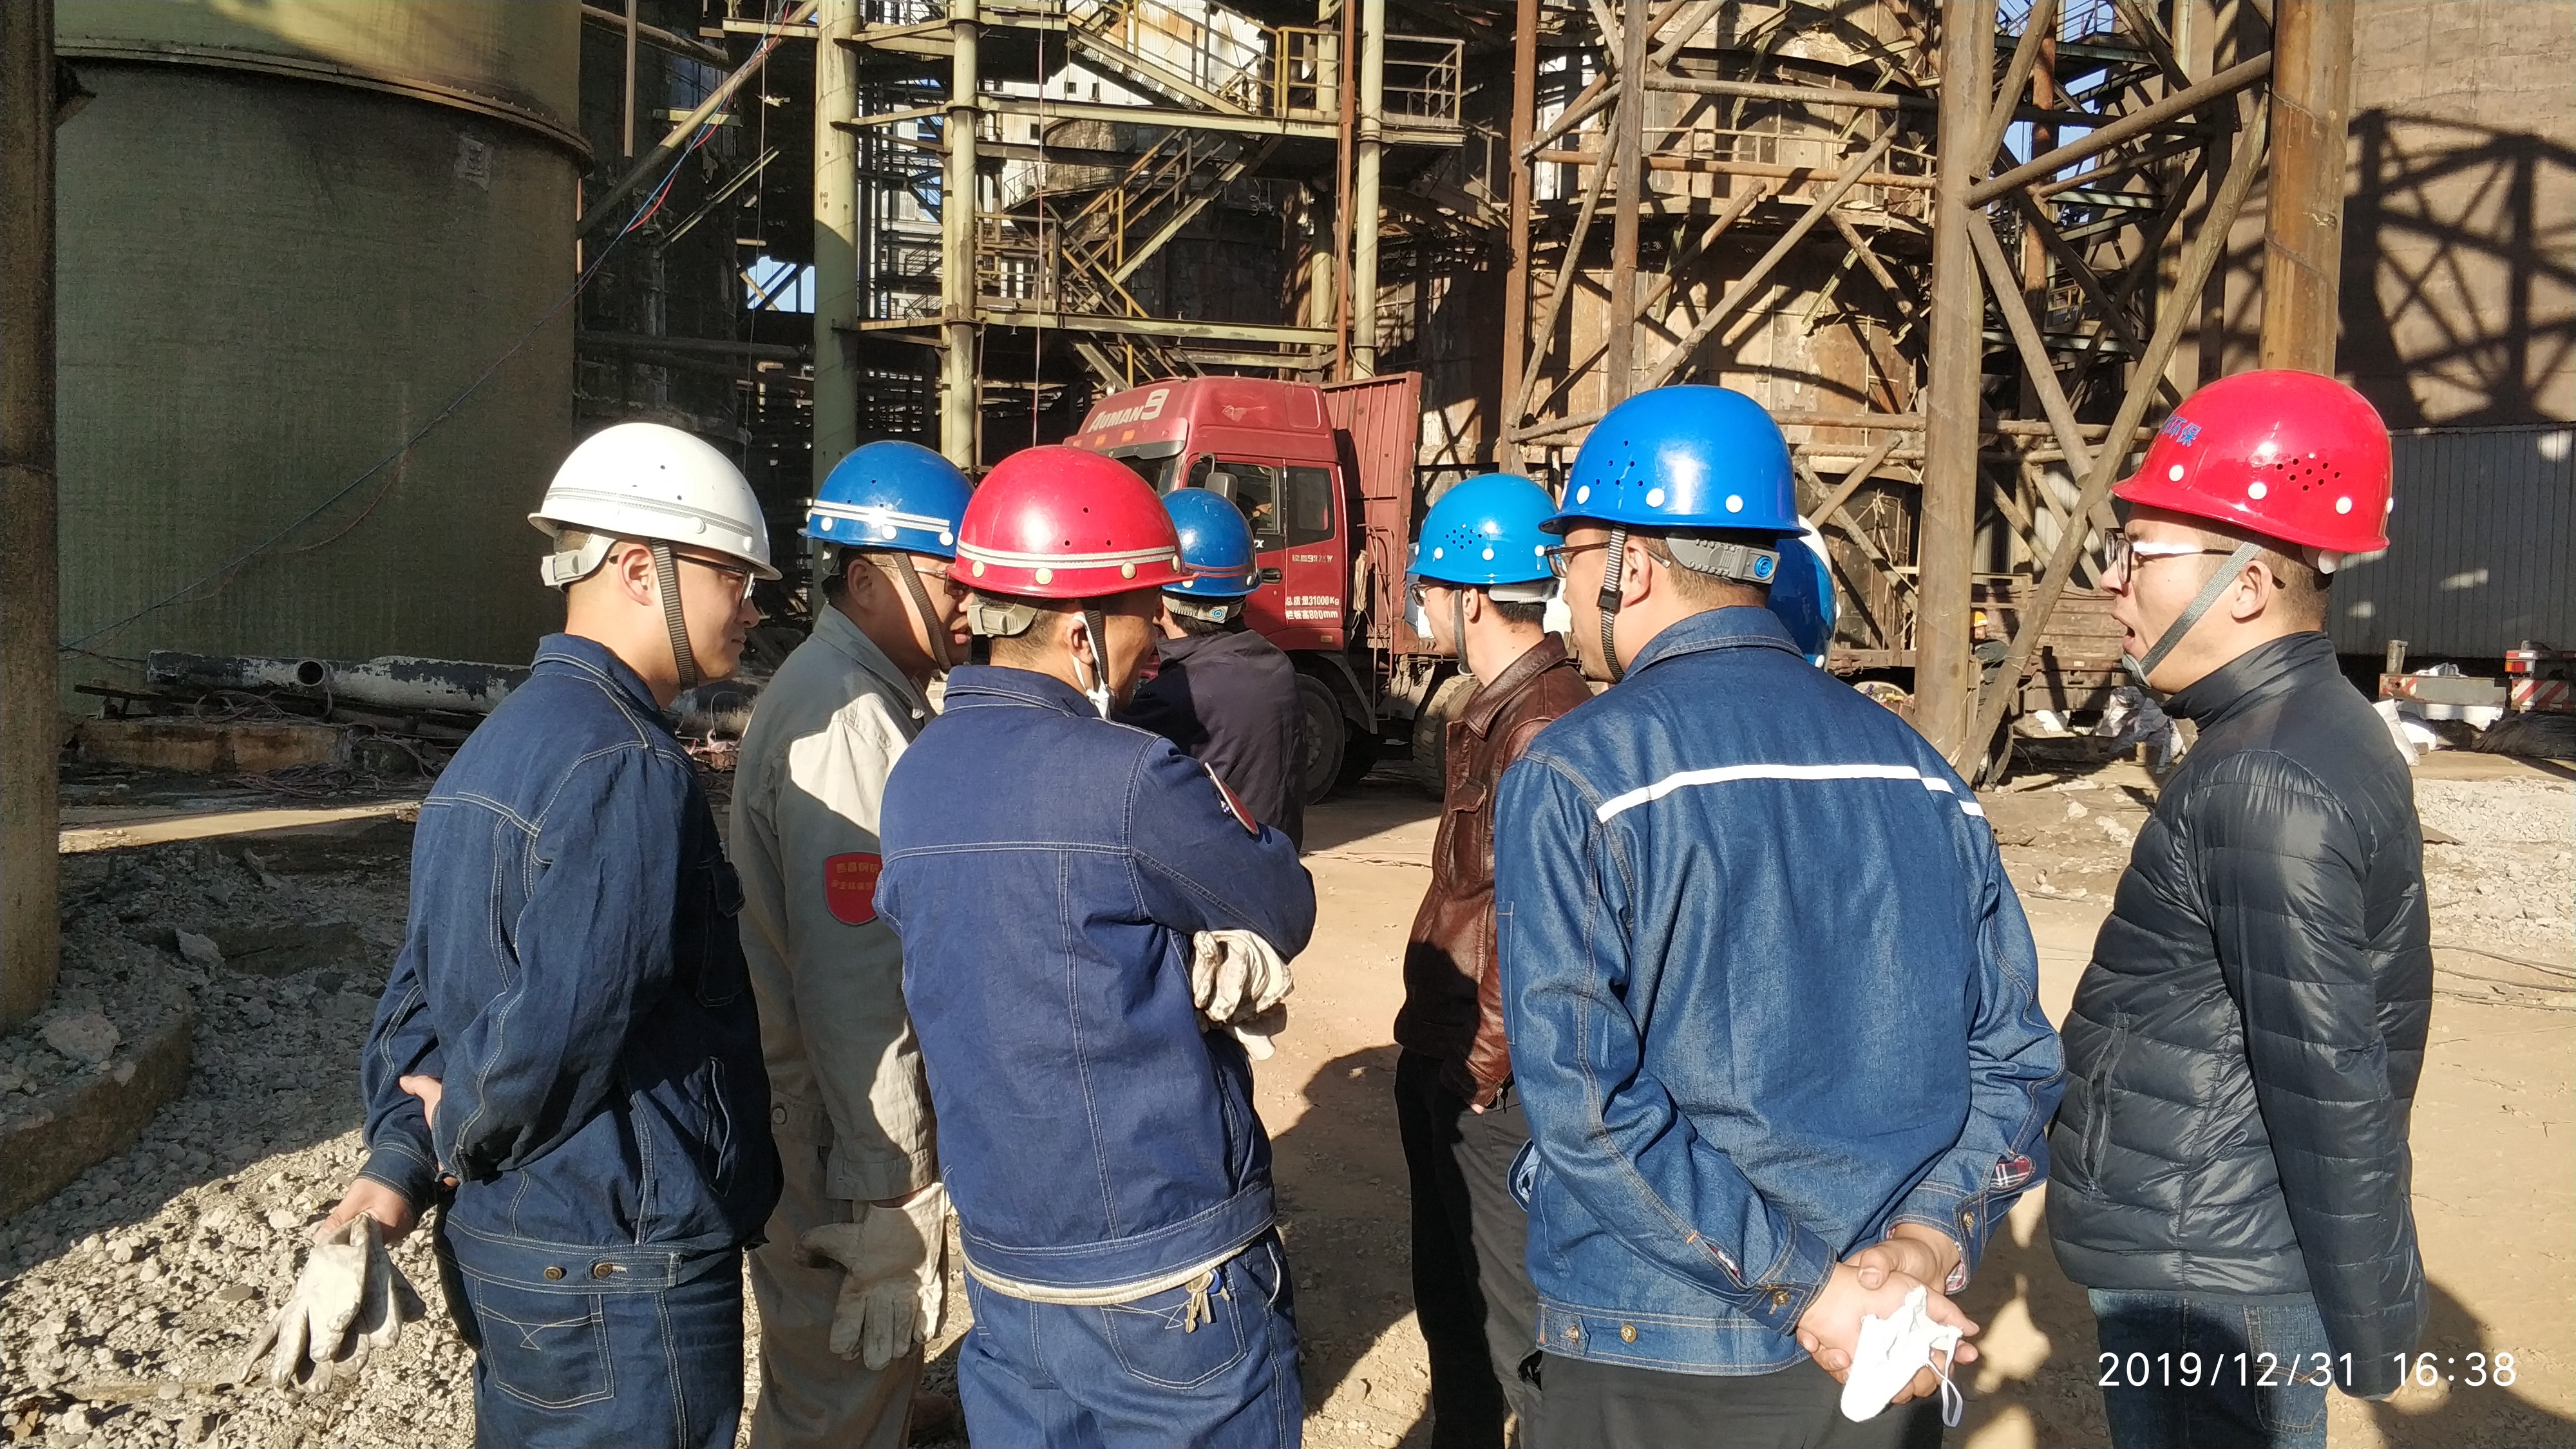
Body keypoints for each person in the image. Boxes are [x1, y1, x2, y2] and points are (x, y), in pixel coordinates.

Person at [1492, 385, 2067, 1449]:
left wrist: (1811, 1289)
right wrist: (1924, 1242)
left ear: (1630, 564)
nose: (1560, 593)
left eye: (1569, 556)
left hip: (1659, 1346)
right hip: (1873, 1355)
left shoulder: (1579, 771)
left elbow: (1584, 1099)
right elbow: (2018, 1062)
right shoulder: (1924, 774)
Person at [323, 422, 783, 1449]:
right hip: (617, 1258)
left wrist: (400, 1157)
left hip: (516, 1239)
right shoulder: (625, 763)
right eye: (735, 578)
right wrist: (456, 1127)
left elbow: (419, 994)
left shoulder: (497, 746)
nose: (754, 608)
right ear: (639, 568)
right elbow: (564, 1021)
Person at [873, 447, 1319, 1447]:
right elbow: (1281, 902)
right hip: (1163, 1265)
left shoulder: (915, 777)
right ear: (1080, 632)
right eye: (1144, 610)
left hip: (1008, 1267)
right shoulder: (1130, 776)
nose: (1157, 639)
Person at [2046, 370, 2430, 1449]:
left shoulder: (2264, 777)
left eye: (2139, 552)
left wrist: (2371, 1330)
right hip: (2218, 1231)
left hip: (2207, 1270)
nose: (2113, 582)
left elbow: (2327, 1069)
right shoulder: (2311, 726)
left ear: (2248, 584)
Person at [730, 440, 974, 1449]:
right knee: (838, 1367)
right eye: (950, 582)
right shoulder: (851, 724)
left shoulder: (861, 692)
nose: (971, 606)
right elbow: (855, 983)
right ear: (869, 581)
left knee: (856, 1359)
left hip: (825, 1105)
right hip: (837, 1122)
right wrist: (890, 1182)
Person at [1389, 473, 1593, 1449]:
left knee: (1511, 1322)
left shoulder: (1539, 721)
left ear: (1469, 595)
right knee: (1450, 1297)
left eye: (1427, 585)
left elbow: (1532, 919)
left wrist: (1478, 1070)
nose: (1421, 603)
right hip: (1451, 1048)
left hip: (1486, 1078)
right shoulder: (1501, 707)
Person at [1117, 486, 1307, 845]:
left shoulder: (1178, 695)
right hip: (1277, 865)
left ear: (1158, 604)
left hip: (1213, 874)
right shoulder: (1276, 666)